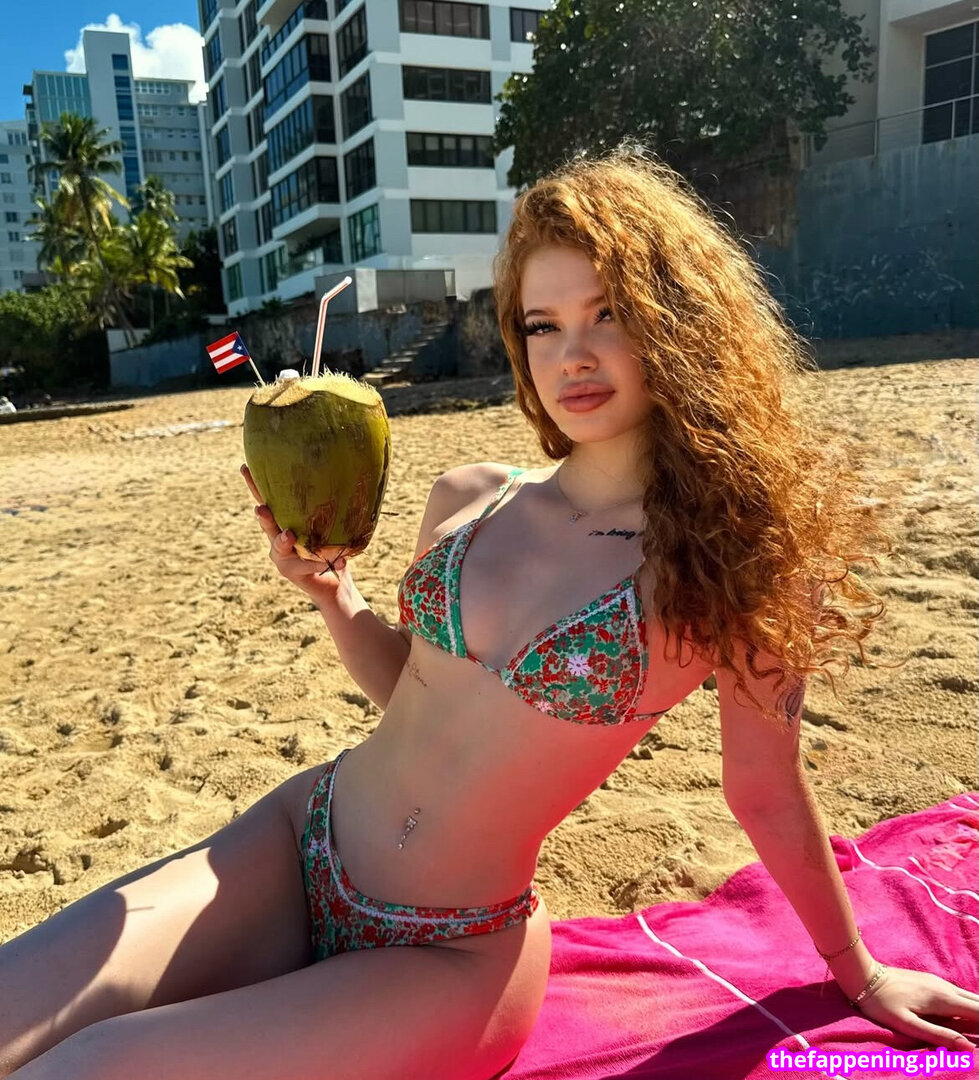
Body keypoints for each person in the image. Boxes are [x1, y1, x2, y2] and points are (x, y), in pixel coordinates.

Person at [1, 144, 975, 1080]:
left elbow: (763, 790)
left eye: (607, 314)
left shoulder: (729, 564)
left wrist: (859, 972)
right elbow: (417, 693)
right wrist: (336, 599)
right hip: (301, 838)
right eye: (542, 324)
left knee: (87, 1069)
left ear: (678, 321)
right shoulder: (472, 495)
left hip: (453, 953)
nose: (572, 355)